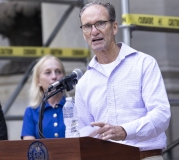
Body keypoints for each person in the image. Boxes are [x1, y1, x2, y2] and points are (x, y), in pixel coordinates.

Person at [75, 1, 171, 160]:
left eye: (100, 23)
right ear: (83, 33)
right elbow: (83, 131)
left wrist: (125, 131)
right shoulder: (84, 83)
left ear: (114, 27)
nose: (94, 31)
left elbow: (161, 116)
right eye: (87, 26)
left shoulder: (144, 64)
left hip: (144, 156)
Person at [21, 55, 67, 140]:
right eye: (48, 72)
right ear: (38, 81)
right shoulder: (31, 112)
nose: (54, 76)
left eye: (58, 71)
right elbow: (29, 147)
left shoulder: (75, 106)